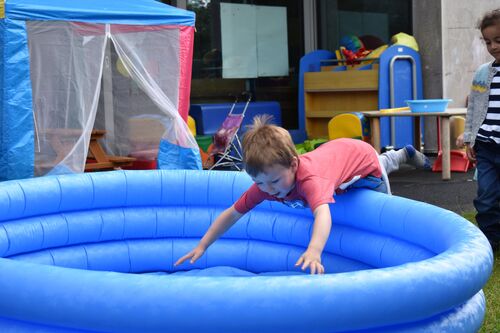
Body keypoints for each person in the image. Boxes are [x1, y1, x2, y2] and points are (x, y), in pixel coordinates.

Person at [175, 116, 431, 274]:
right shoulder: (266, 183)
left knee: (382, 211)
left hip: (361, 163)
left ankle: (397, 157)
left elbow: (323, 214)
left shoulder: (310, 180)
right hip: (337, 161)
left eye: (274, 181)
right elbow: (232, 214)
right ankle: (398, 155)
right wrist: (203, 244)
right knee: (340, 185)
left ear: (294, 165)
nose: (269, 190)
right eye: (260, 183)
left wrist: (314, 250)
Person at [463, 8, 500, 253]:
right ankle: (491, 242)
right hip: (486, 146)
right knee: (486, 196)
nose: (493, 46)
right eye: (488, 42)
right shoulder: (483, 74)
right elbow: (474, 108)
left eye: (498, 40)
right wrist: (469, 140)